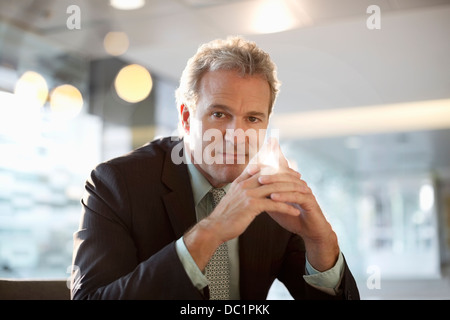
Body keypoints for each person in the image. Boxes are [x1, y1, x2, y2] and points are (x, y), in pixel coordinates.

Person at [70, 36, 360, 300]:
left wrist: (321, 241)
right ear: (186, 117)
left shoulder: (270, 194)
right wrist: (211, 231)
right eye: (220, 114)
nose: (237, 135)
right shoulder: (117, 184)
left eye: (253, 119)